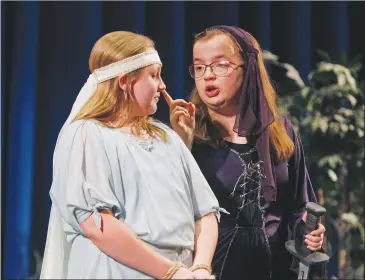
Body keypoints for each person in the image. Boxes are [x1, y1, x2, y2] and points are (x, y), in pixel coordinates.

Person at [40, 31, 221, 279]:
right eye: (154, 76)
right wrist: (170, 272)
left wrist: (200, 267)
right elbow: (98, 226)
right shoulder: (87, 135)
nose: (162, 85)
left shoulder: (164, 136)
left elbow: (205, 211)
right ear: (125, 81)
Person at [162, 25, 326, 280]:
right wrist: (183, 144)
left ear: (247, 69)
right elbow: (167, 210)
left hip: (277, 270)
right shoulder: (188, 133)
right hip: (214, 271)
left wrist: (310, 230)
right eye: (199, 67)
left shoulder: (279, 131)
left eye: (220, 65)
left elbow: (299, 204)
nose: (208, 75)